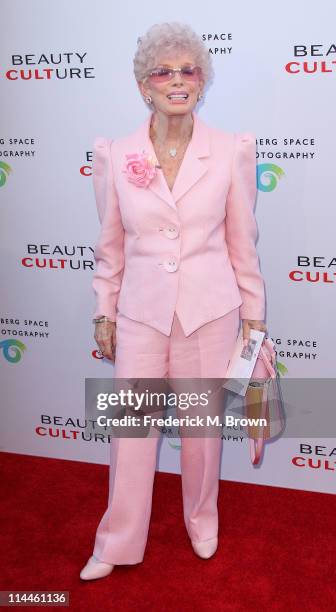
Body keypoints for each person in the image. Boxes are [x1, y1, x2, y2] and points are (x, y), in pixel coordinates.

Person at [80, 21, 267, 580]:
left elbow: (242, 240)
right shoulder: (116, 154)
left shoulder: (231, 150)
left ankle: (202, 519)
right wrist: (103, 308)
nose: (177, 81)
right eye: (165, 71)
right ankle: (116, 542)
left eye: (189, 70)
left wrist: (253, 319)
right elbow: (110, 244)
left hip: (210, 311)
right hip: (140, 312)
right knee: (129, 434)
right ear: (145, 85)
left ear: (202, 81)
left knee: (202, 431)